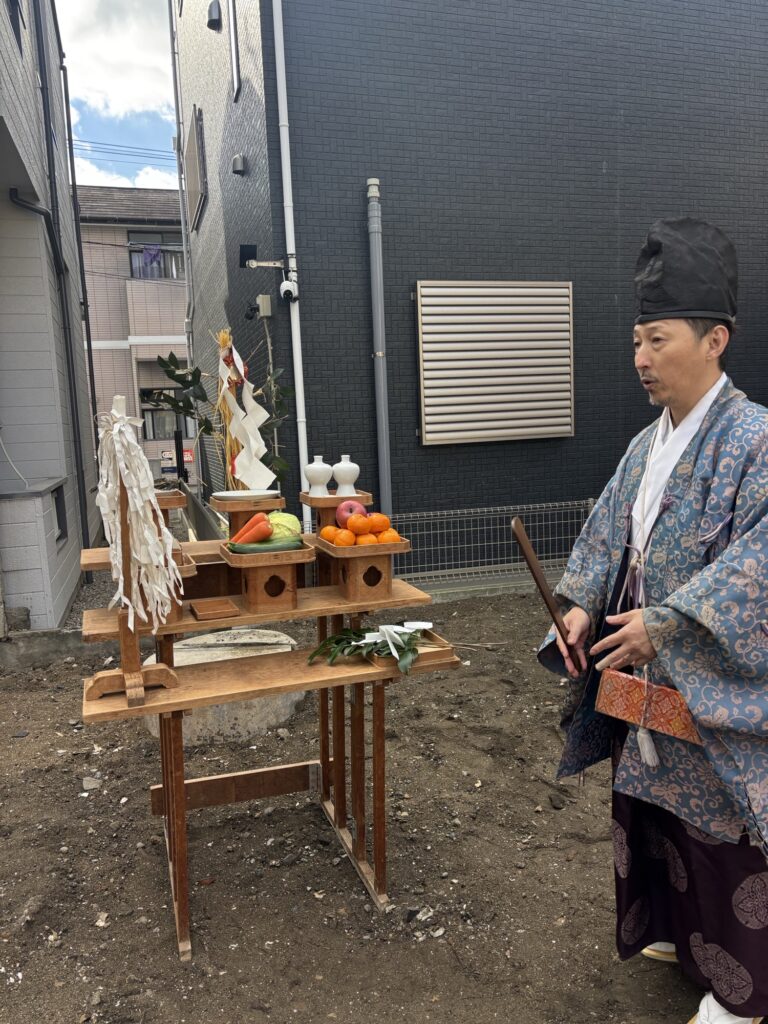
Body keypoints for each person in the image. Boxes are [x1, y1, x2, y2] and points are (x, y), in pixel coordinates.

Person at [538, 218, 768, 1024]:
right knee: (649, 809)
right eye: (636, 339)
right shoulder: (645, 446)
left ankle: (742, 994)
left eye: (657, 338)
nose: (640, 357)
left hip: (703, 679)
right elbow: (606, 536)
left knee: (718, 829)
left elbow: (760, 564)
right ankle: (675, 937)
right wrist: (575, 609)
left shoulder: (757, 440)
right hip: (641, 680)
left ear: (715, 340)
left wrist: (668, 624)